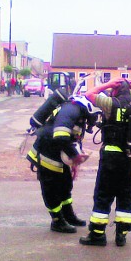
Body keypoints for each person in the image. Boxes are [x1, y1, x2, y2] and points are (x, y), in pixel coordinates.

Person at [80, 78, 131, 247]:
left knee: (103, 195)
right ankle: (121, 235)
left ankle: (97, 235)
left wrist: (108, 84)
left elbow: (89, 94)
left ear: (115, 91)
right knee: (126, 194)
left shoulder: (110, 103)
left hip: (111, 158)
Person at [26, 95, 101, 233]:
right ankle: (57, 220)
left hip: (58, 155)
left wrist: (74, 163)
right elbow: (61, 136)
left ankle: (68, 215)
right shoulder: (71, 111)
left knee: (65, 185)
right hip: (47, 155)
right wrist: (75, 156)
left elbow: (73, 139)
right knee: (51, 189)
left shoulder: (78, 114)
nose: (95, 121)